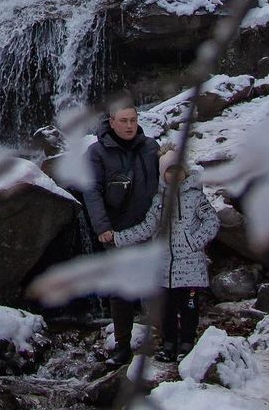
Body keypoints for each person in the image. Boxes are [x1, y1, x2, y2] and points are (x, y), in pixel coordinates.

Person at [115, 148, 219, 361]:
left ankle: (187, 344)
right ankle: (169, 343)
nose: (174, 175)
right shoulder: (158, 200)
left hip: (190, 267)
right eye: (169, 171)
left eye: (177, 169)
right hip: (164, 268)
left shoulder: (196, 197)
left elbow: (212, 221)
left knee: (189, 307)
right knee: (167, 309)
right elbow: (147, 227)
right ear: (163, 175)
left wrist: (194, 242)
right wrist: (118, 238)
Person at [85, 99, 159, 366]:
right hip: (117, 231)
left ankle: (166, 340)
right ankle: (123, 345)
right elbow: (91, 191)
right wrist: (103, 227)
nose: (129, 126)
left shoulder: (151, 148)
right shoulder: (96, 153)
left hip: (150, 227)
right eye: (123, 121)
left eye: (133, 120)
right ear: (112, 122)